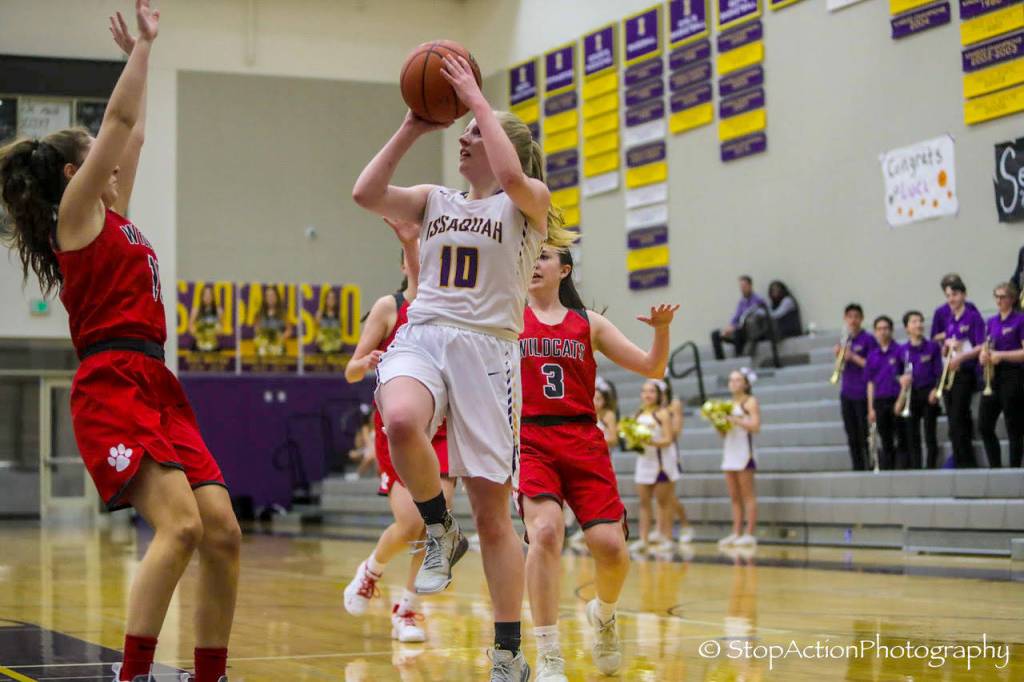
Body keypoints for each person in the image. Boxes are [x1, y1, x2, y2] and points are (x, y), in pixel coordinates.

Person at [0, 6, 240, 681]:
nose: (115, 167)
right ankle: (129, 674)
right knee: (181, 527)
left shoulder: (119, 218)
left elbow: (131, 138)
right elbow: (121, 125)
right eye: (98, 161)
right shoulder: (77, 217)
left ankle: (209, 674)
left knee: (221, 530)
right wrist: (143, 47)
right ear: (79, 170)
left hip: (157, 382)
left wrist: (144, 58)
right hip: (110, 384)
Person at [351, 51, 575, 679]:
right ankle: (437, 529)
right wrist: (413, 128)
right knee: (399, 421)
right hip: (425, 333)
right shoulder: (435, 199)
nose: (465, 140)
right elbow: (365, 192)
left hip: (488, 352)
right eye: (466, 131)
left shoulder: (528, 204)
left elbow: (508, 168)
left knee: (494, 517)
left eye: (475, 134)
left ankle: (508, 648)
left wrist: (478, 101)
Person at [518, 245, 678, 680]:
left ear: (564, 269)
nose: (534, 262)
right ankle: (549, 653)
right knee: (546, 533)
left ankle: (604, 615)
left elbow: (653, 367)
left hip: (583, 439)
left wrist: (661, 330)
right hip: (531, 438)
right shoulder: (508, 317)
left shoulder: (588, 323)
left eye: (545, 256)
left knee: (611, 548)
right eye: (529, 255)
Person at [341, 220, 455, 643]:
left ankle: (408, 608)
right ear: (406, 264)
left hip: (442, 422)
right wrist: (366, 360)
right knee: (410, 522)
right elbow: (351, 371)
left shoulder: (449, 310)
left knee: (436, 523)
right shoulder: (389, 307)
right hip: (401, 424)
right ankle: (371, 571)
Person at [628, 380, 680, 555]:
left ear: (658, 395)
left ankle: (667, 538)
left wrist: (650, 441)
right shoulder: (638, 413)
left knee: (663, 502)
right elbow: (631, 436)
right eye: (644, 391)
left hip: (662, 464)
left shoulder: (663, 413)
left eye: (651, 391)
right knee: (643, 503)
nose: (647, 394)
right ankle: (643, 539)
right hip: (643, 463)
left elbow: (668, 439)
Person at [979, 282, 1024, 468]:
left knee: (1013, 427)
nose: (998, 300)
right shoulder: (991, 322)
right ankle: (995, 467)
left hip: (1014, 375)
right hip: (993, 377)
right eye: (996, 296)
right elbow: (986, 345)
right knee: (984, 425)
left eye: (1002, 296)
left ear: (1012, 299)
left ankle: (1014, 469)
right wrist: (983, 354)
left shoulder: (1020, 320)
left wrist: (1001, 356)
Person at [941, 278, 985, 468]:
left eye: (955, 294)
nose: (951, 299)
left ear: (964, 295)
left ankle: (967, 462)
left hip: (966, 373)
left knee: (959, 417)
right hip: (952, 372)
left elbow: (981, 345)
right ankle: (958, 459)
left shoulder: (973, 317)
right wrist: (947, 348)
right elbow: (948, 349)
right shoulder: (950, 320)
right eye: (948, 295)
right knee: (952, 419)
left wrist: (962, 356)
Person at [717, 369, 761, 548]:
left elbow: (756, 426)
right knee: (734, 496)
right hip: (730, 451)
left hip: (745, 452)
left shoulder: (750, 402)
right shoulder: (727, 404)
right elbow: (723, 433)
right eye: (731, 380)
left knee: (747, 495)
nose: (733, 383)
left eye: (737, 380)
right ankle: (736, 532)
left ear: (746, 384)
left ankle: (749, 533)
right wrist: (719, 423)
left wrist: (736, 420)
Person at [894, 311, 942, 469]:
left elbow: (939, 372)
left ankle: (931, 468)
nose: (919, 324)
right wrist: (901, 379)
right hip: (911, 395)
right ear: (907, 327)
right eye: (914, 322)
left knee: (930, 435)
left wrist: (936, 390)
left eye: (920, 321)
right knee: (912, 435)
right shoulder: (901, 350)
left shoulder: (933, 347)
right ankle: (916, 468)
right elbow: (896, 373)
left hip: (928, 393)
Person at [836, 304, 878, 471]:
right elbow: (839, 367)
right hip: (847, 391)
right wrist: (838, 357)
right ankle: (857, 467)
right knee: (851, 434)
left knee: (863, 434)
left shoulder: (868, 339)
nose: (853, 320)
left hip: (862, 392)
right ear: (845, 319)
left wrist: (853, 356)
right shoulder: (844, 340)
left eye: (856, 316)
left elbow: (873, 365)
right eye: (849, 316)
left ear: (861, 319)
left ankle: (870, 465)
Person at [657, 377, 694, 546]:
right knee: (660, 496)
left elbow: (677, 431)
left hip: (669, 452)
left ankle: (683, 526)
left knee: (669, 496)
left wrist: (660, 427)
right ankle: (660, 530)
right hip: (652, 454)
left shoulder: (674, 404)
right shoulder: (650, 406)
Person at [866, 316, 905, 470]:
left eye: (885, 328)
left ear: (891, 330)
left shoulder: (900, 351)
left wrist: (900, 401)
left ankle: (903, 469)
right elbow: (870, 382)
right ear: (875, 332)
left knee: (901, 437)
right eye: (879, 329)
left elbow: (906, 377)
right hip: (880, 400)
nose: (883, 332)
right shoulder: (872, 355)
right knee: (885, 437)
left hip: (897, 399)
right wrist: (870, 408)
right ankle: (888, 469)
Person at [710, 275, 767, 360]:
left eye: (744, 286)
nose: (742, 289)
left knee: (737, 332)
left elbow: (749, 318)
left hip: (750, 332)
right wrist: (729, 327)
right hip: (738, 329)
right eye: (741, 287)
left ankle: (738, 357)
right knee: (715, 334)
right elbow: (736, 316)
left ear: (750, 286)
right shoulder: (742, 302)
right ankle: (720, 360)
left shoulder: (758, 301)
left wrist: (735, 327)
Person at [931, 273, 979, 343]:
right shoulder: (940, 312)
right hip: (950, 348)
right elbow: (934, 337)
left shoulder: (970, 306)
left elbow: (979, 329)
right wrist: (951, 333)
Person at [253, 284, 293, 356]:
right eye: (268, 296)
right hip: (263, 348)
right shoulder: (259, 313)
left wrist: (281, 338)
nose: (270, 298)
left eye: (272, 296)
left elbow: (289, 330)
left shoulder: (283, 314)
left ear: (277, 297)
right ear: (265, 299)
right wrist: (262, 339)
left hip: (278, 348)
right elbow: (256, 329)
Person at [189, 284, 222, 352]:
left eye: (209, 295)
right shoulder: (196, 310)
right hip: (199, 346)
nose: (207, 297)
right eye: (205, 295)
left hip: (213, 345)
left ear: (213, 297)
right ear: (202, 297)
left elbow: (220, 329)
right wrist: (198, 334)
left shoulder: (219, 311)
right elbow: (190, 326)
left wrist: (218, 330)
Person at [315, 287, 343, 353]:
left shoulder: (339, 315)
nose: (331, 301)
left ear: (336, 301)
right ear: (325, 300)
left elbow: (340, 333)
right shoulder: (320, 314)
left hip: (335, 348)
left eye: (333, 298)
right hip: (323, 348)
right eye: (329, 298)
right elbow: (317, 330)